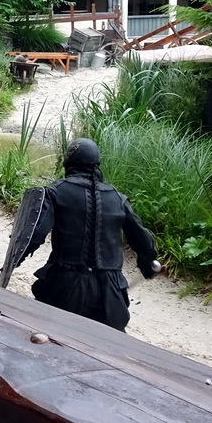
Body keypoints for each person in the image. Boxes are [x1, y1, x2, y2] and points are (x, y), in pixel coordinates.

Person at [15, 138, 160, 331]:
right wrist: (148, 264)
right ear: (96, 164)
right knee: (110, 347)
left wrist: (16, 258)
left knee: (46, 335)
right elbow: (143, 240)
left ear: (69, 163)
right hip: (109, 293)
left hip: (64, 287)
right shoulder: (117, 198)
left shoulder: (57, 191)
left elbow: (34, 233)